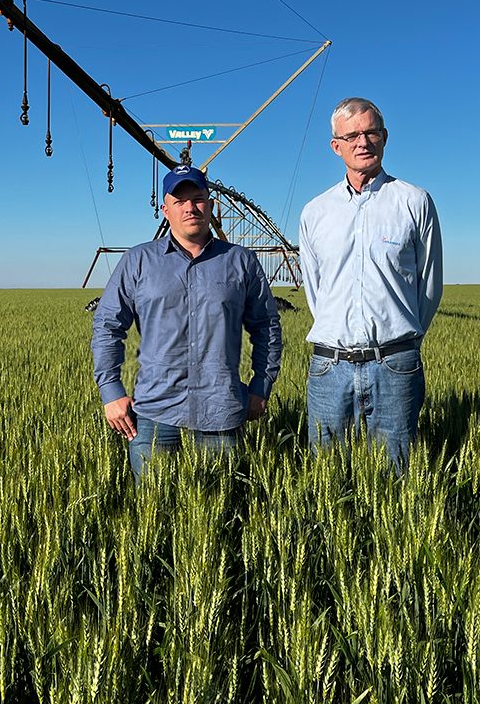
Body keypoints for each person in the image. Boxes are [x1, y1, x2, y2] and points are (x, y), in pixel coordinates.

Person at [92, 164, 283, 477]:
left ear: (211, 206)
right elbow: (107, 326)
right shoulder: (139, 261)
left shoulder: (240, 261)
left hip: (220, 413)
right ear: (165, 210)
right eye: (180, 201)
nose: (190, 207)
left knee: (219, 504)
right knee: (153, 503)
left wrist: (261, 386)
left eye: (198, 199)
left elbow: (267, 327)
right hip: (154, 413)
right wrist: (111, 390)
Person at [298, 97, 443, 470]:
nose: (363, 142)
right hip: (329, 367)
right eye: (352, 136)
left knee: (395, 477)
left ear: (384, 137)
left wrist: (401, 342)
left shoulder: (414, 202)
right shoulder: (315, 212)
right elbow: (316, 290)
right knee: (327, 477)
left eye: (371, 132)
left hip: (395, 364)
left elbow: (429, 286)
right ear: (337, 146)